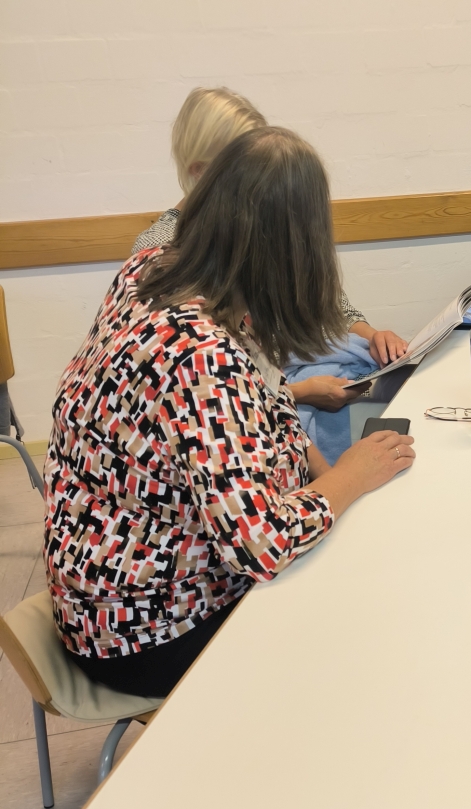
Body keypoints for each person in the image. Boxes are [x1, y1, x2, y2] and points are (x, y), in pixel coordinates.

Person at [45, 126, 416, 700]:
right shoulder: (201, 355)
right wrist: (349, 477)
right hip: (143, 629)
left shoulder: (155, 269)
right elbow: (261, 547)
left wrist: (327, 478)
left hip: (100, 583)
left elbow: (268, 399)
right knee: (362, 620)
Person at [133, 86, 408, 418]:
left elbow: (325, 303)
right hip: (246, 401)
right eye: (244, 165)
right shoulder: (160, 254)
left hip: (290, 381)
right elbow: (197, 383)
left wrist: (374, 337)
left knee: (392, 384)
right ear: (201, 171)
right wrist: (298, 393)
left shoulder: (262, 222)